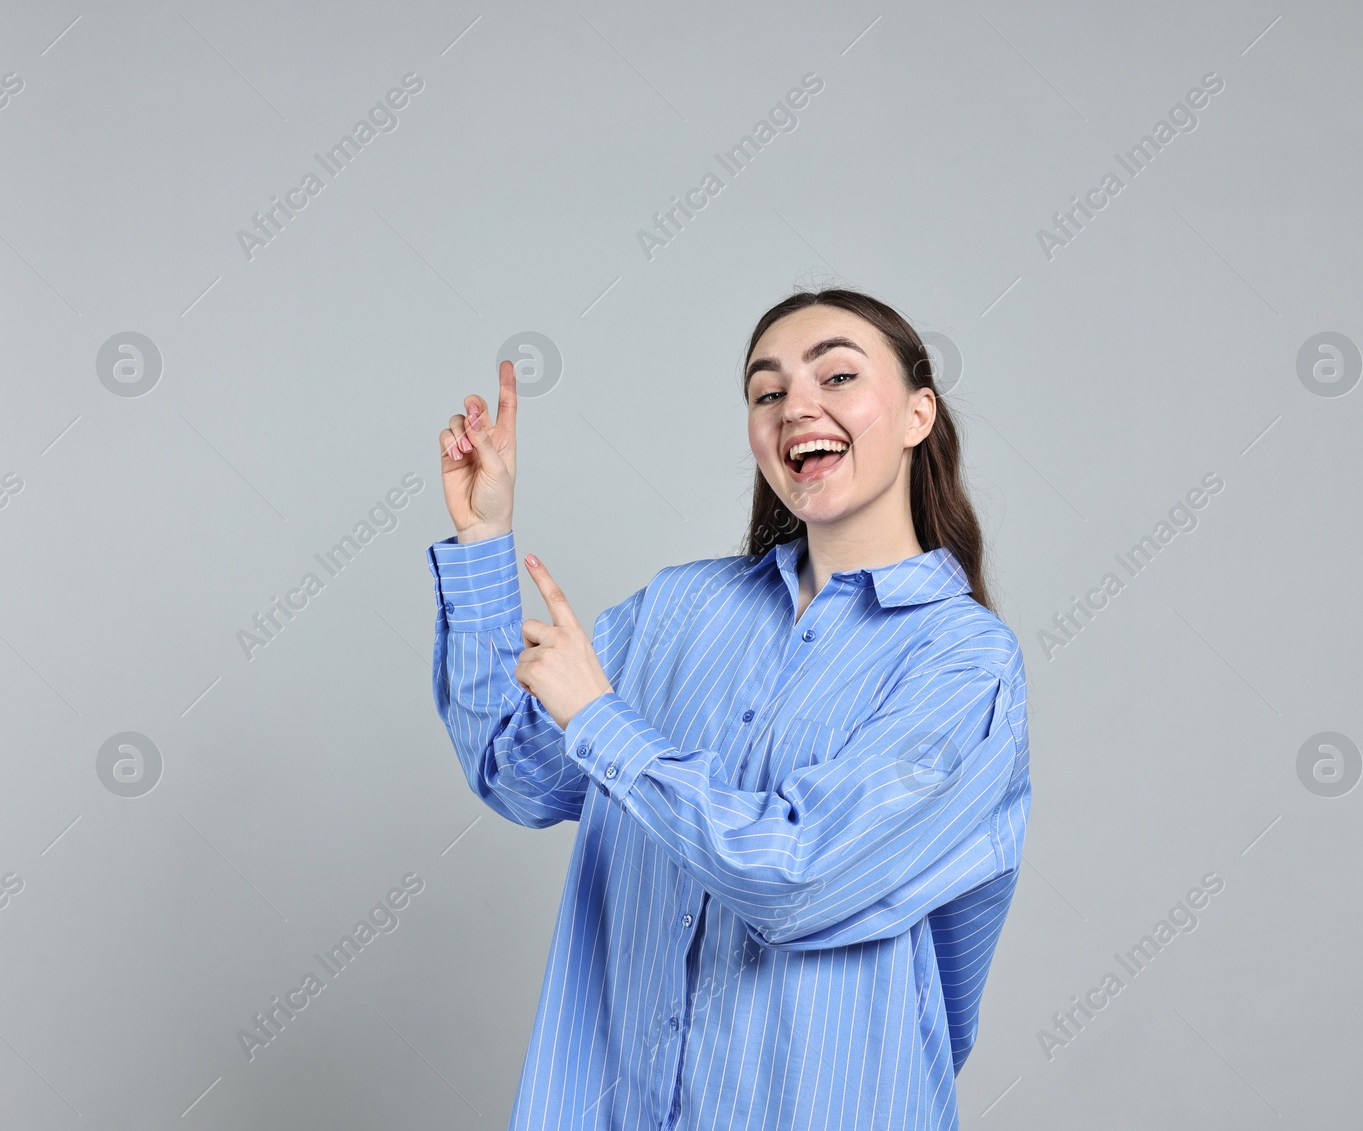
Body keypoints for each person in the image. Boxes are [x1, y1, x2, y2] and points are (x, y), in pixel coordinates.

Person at [426, 288, 1032, 1129]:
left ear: (917, 414)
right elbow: (515, 769)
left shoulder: (965, 663)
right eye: (768, 391)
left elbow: (802, 878)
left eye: (838, 375)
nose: (797, 409)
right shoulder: (679, 609)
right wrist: (484, 540)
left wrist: (604, 723)